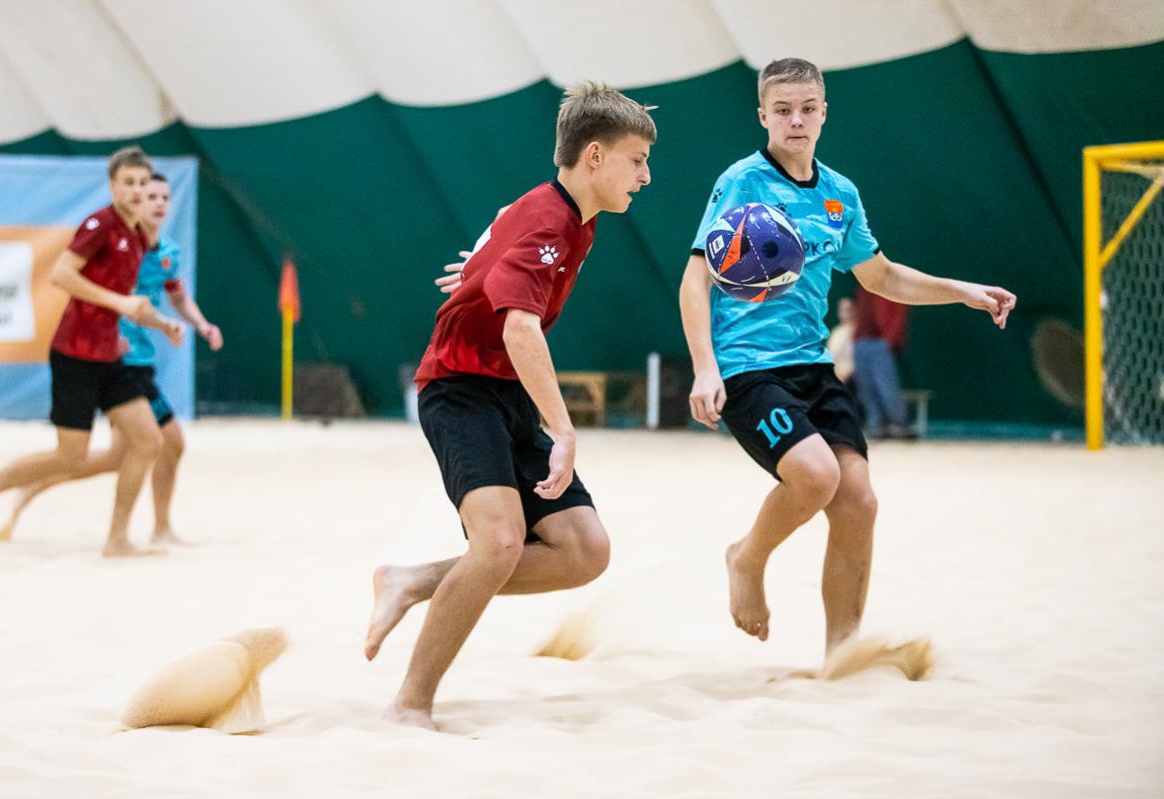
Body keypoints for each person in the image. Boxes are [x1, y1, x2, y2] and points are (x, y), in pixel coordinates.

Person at [678, 58, 1016, 655]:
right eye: (783, 110)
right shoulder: (742, 182)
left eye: (807, 108)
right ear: (763, 116)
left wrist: (961, 290)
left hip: (812, 365)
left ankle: (843, 656)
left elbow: (880, 276)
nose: (796, 120)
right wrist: (706, 367)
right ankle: (747, 559)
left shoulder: (839, 194)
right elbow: (695, 279)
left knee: (859, 502)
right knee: (815, 475)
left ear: (824, 113)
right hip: (747, 367)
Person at [365, 81, 655, 730]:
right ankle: (409, 704)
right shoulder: (551, 221)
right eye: (636, 160)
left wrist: (481, 266)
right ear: (594, 157)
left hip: (504, 391)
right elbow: (520, 329)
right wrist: (564, 430)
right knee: (496, 543)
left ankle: (412, 580)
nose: (645, 176)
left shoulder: (573, 218)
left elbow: (504, 221)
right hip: (459, 389)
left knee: (585, 551)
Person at [0, 147, 183, 556]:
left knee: (148, 441)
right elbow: (62, 274)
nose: (137, 191)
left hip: (111, 355)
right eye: (129, 183)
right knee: (70, 456)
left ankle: (117, 539)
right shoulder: (100, 224)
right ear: (113, 186)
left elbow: (128, 300)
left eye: (143, 183)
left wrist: (162, 323)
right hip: (76, 353)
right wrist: (119, 305)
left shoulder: (139, 237)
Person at [0, 172, 223, 545]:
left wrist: (200, 324)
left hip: (139, 359)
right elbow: (90, 290)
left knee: (117, 457)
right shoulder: (118, 242)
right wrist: (113, 334)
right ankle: (152, 530)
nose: (157, 203)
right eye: (149, 195)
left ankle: (35, 487)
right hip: (117, 360)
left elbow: (176, 296)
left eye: (164, 197)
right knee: (166, 442)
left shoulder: (166, 252)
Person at [852, 286, 912, 439]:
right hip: (861, 342)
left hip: (880, 342)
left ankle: (899, 425)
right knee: (866, 388)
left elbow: (899, 314)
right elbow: (859, 311)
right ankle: (876, 426)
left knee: (886, 386)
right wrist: (856, 337)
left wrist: (890, 340)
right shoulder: (863, 287)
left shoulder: (890, 284)